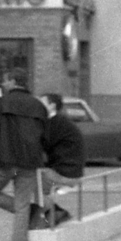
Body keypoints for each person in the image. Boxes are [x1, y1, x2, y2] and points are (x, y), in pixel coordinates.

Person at [0, 70, 50, 241]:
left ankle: (30, 211)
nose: (3, 84)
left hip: (5, 162)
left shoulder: (2, 103)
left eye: (5, 80)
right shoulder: (39, 106)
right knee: (22, 207)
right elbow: (46, 137)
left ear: (12, 81)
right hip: (28, 164)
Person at [32, 92, 85, 228]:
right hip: (68, 168)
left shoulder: (56, 123)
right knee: (36, 181)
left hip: (67, 171)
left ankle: (55, 213)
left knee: (33, 179)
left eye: (41, 103)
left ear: (51, 106)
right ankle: (52, 213)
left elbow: (42, 143)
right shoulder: (57, 122)